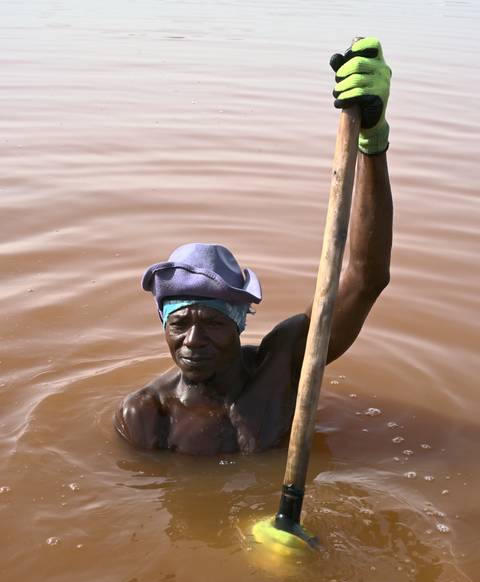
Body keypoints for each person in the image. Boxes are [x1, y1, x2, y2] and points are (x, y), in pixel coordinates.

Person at [115, 37, 393, 455]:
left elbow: (366, 279)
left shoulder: (281, 367)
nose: (192, 340)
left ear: (240, 323)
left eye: (211, 323)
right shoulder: (147, 416)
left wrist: (372, 144)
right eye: (179, 324)